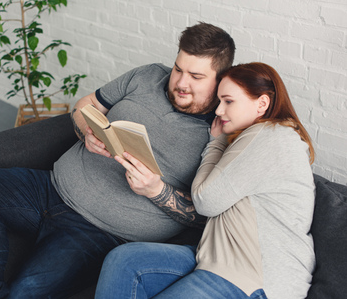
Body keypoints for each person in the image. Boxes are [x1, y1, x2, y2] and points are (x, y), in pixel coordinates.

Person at [0, 22, 235, 298]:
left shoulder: (221, 132)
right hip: (50, 188)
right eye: (178, 69)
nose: (181, 83)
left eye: (196, 77)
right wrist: (85, 131)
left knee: (24, 292)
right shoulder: (148, 76)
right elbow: (85, 104)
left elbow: (206, 215)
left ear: (221, 79)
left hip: (99, 232)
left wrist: (156, 190)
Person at [94, 62, 316, 299]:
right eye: (219, 101)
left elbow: (205, 201)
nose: (219, 111)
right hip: (216, 258)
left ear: (262, 103)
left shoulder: (272, 136)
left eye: (228, 101)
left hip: (257, 279)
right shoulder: (256, 138)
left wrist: (216, 141)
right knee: (125, 260)